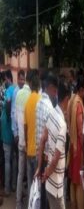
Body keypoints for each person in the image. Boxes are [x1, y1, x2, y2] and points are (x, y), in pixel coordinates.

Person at [35, 81, 71, 209]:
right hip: (56, 184)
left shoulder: (52, 113)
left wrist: (40, 167)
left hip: (50, 181)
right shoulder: (62, 124)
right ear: (66, 99)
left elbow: (42, 139)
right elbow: (56, 158)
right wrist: (46, 173)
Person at [35, 72, 58, 209]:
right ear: (49, 87)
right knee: (47, 197)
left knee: (42, 193)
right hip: (46, 157)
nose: (55, 94)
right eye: (54, 90)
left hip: (39, 155)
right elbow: (48, 139)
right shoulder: (49, 108)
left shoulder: (38, 104)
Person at [67, 75, 84, 209]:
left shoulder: (70, 100)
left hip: (71, 145)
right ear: (81, 89)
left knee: (72, 179)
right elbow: (81, 131)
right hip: (78, 147)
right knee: (78, 179)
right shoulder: (78, 104)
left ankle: (73, 204)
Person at [15, 70, 32, 209]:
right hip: (29, 143)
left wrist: (17, 134)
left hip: (20, 141)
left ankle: (18, 204)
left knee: (21, 174)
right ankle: (30, 205)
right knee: (30, 175)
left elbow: (15, 117)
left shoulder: (18, 94)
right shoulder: (31, 96)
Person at [24, 69, 41, 193]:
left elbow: (25, 127)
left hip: (29, 149)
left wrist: (25, 143)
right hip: (38, 151)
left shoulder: (27, 102)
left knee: (30, 184)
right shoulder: (41, 101)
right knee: (38, 186)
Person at [1, 70, 16, 196]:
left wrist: (7, 113)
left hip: (7, 130)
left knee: (7, 160)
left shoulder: (8, 92)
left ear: (9, 79)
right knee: (14, 159)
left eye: (5, 79)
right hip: (14, 132)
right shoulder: (17, 90)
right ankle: (14, 185)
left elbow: (7, 105)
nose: (4, 82)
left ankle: (7, 188)